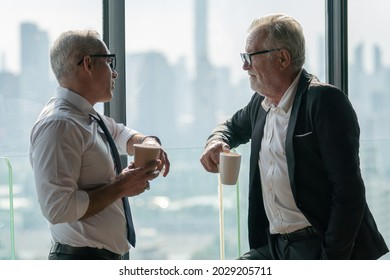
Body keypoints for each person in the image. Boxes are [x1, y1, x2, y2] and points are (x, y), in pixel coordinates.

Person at [200, 14, 388, 260]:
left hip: (319, 245)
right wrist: (216, 142)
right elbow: (230, 126)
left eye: (250, 57)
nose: (244, 66)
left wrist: (331, 261)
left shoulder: (324, 102)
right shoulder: (260, 104)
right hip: (274, 246)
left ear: (282, 58)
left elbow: (348, 193)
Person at [29, 30, 170, 260]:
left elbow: (121, 133)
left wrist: (148, 143)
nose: (114, 73)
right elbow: (58, 208)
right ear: (88, 64)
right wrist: (122, 186)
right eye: (109, 62)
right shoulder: (60, 125)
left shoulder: (86, 116)